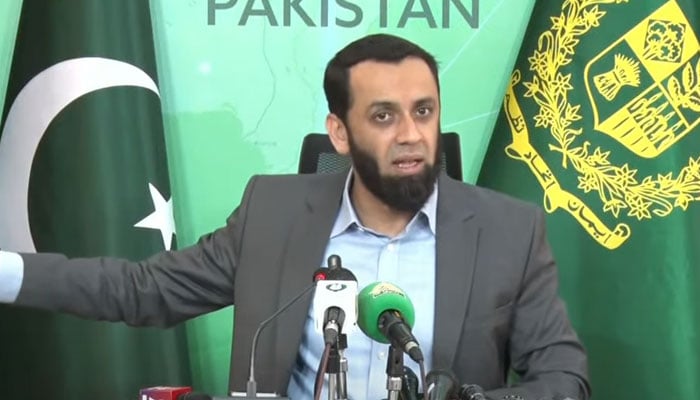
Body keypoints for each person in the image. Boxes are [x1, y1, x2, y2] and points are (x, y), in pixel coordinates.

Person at [0, 33, 590, 400]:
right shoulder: (273, 214)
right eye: (383, 116)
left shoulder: (509, 231)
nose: (412, 135)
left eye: (424, 111)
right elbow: (142, 289)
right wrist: (8, 273)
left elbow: (565, 380)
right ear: (340, 133)